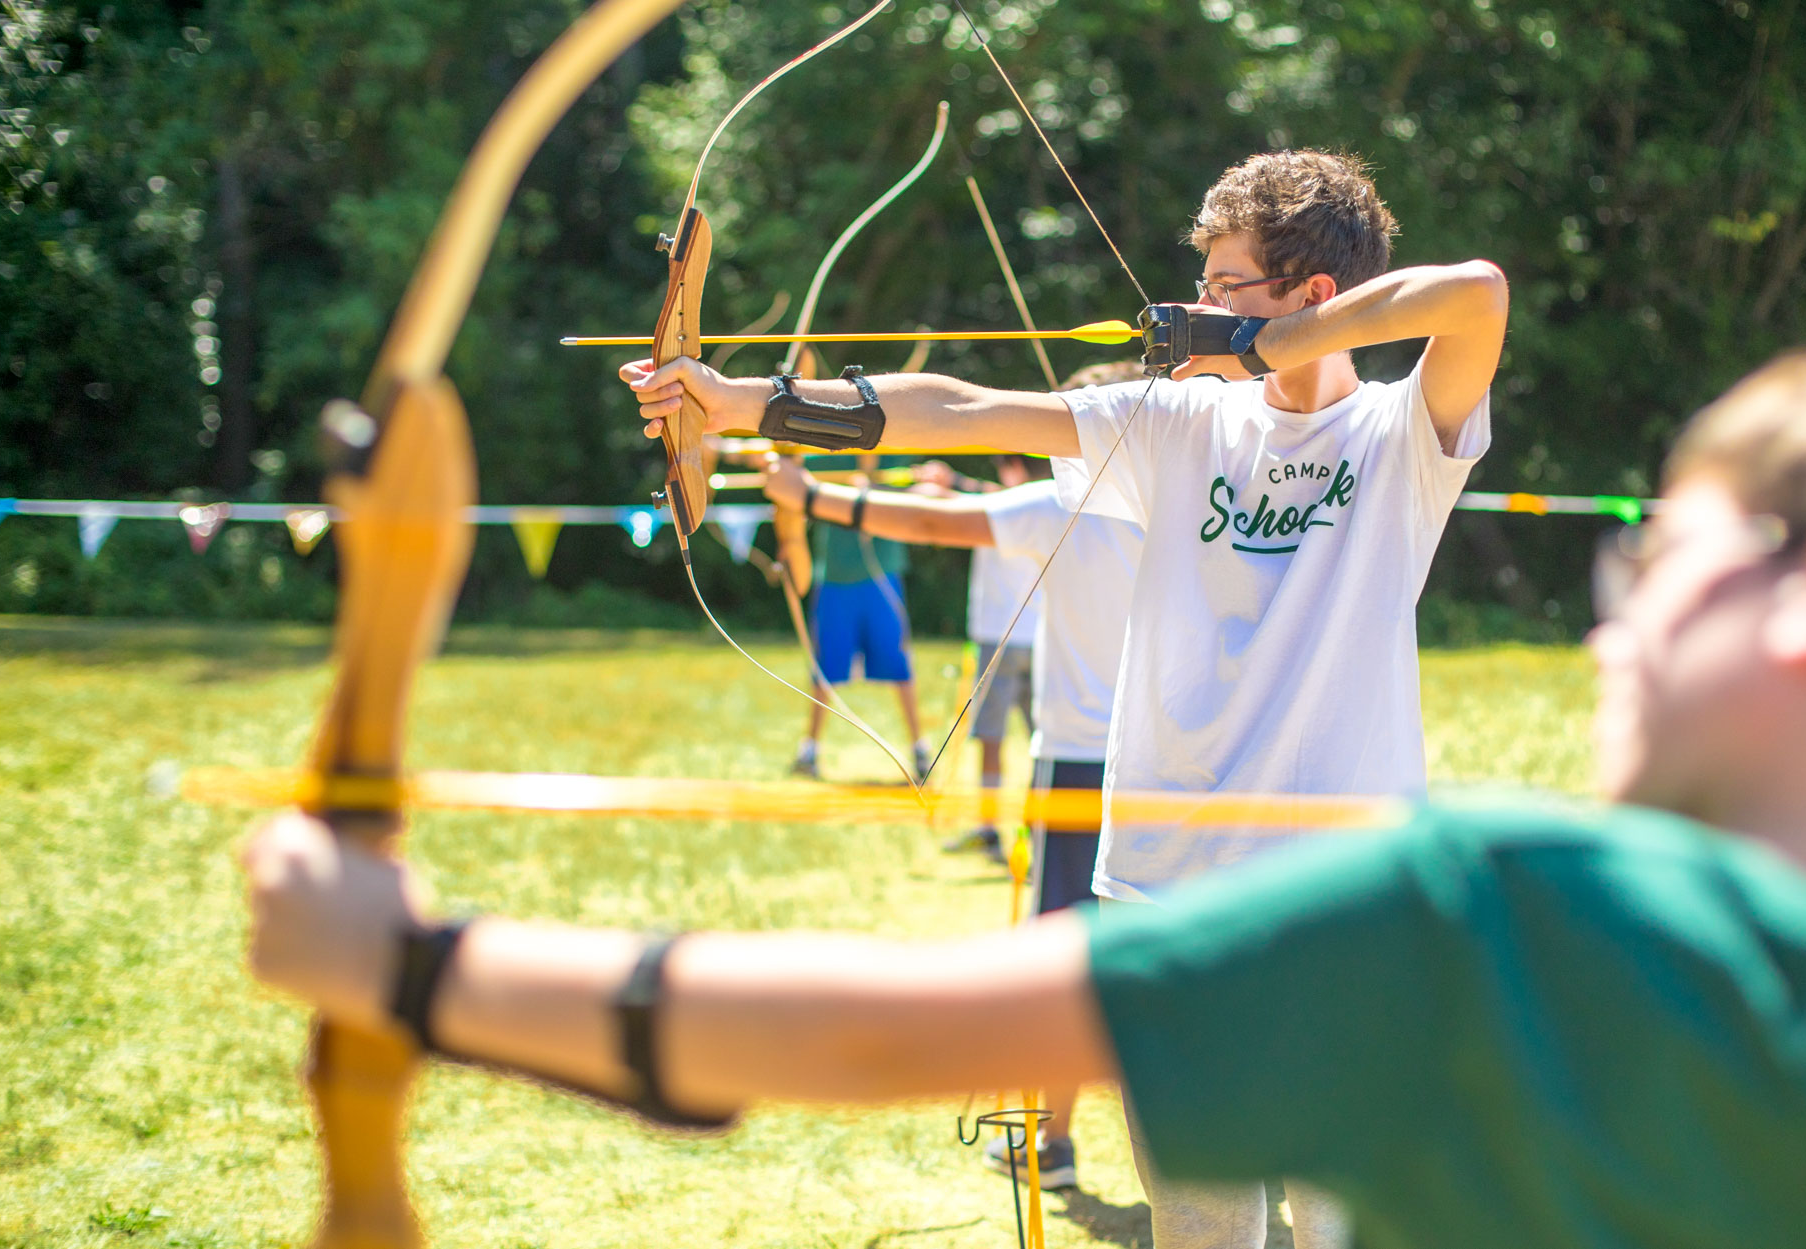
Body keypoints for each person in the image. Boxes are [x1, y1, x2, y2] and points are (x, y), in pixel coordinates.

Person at [246, 341, 1806, 1249]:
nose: (1613, 616)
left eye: (1657, 560)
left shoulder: (1497, 923)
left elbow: (860, 1027)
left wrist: (412, 961)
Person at [629, 149, 1506, 1246]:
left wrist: (1262, 345)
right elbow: (966, 409)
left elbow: (1474, 294)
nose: (1195, 306)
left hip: (1344, 902)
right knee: (1200, 1222)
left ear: (1310, 295)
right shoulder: (1183, 424)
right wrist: (743, 403)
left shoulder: (1395, 435)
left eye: (1227, 285)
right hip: (1164, 888)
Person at [760, 363, 1149, 1190]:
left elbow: (933, 524)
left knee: (1066, 958)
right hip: (1171, 762)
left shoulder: (1061, 504)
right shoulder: (1183, 502)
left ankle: (1052, 1140)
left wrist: (811, 497)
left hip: (1082, 760)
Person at [922, 453, 1047, 864]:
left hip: (1001, 637)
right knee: (1042, 742)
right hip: (1039, 638)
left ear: (1016, 468)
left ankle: (992, 828)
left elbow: (973, 497)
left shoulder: (1005, 505)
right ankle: (1040, 832)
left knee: (992, 740)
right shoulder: (1051, 504)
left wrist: (947, 482)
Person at [785, 453, 931, 783]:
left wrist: (874, 493)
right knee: (825, 669)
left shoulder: (896, 454)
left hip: (881, 577)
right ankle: (809, 750)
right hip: (836, 578)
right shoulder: (826, 457)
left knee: (899, 663)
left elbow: (912, 502)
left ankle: (920, 749)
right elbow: (795, 482)